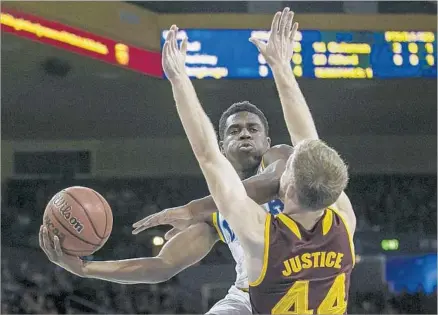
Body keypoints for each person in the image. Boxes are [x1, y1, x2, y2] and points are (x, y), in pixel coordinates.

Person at [157, 6, 356, 315]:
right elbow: (308, 141)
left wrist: (179, 80)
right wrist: (281, 66)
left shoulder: (263, 237)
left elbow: (209, 155)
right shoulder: (344, 220)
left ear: (287, 188)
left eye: (288, 168)